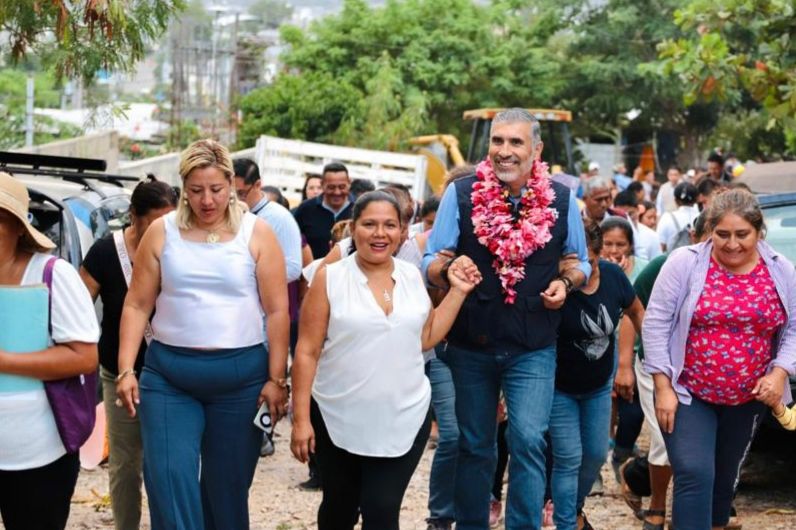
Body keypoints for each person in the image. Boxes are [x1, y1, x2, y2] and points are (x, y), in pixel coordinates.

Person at [423, 108, 590, 529]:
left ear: (536, 149)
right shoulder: (460, 193)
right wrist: (449, 271)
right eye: (497, 141)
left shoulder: (563, 197)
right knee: (474, 445)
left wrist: (566, 285)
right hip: (470, 344)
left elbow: (580, 262)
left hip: (533, 346)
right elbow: (431, 259)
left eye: (515, 142)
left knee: (529, 440)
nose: (504, 151)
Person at [116, 139, 290, 530]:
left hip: (241, 378)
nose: (207, 200)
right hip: (169, 376)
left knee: (226, 491)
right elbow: (137, 304)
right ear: (184, 188)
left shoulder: (257, 233)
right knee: (168, 479)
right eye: (196, 191)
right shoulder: (161, 232)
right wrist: (126, 369)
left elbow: (278, 312)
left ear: (231, 184)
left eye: (216, 189)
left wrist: (277, 379)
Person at [290, 191, 481, 530]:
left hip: (404, 414)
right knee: (339, 507)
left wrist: (458, 292)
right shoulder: (329, 276)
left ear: (401, 232)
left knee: (381, 509)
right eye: (370, 224)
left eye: (389, 225)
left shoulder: (410, 275)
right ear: (353, 229)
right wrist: (301, 419)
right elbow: (306, 350)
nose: (380, 234)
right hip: (337, 416)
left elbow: (425, 337)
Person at [643, 189, 796, 530]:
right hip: (687, 393)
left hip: (748, 398)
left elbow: (794, 328)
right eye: (722, 234)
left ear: (759, 232)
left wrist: (780, 373)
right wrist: (662, 385)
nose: (731, 244)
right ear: (709, 230)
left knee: (723, 482)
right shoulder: (685, 263)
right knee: (695, 473)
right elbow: (656, 322)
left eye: (742, 234)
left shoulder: (781, 270)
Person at [0, 172, 99, 530]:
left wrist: (5, 362)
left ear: (17, 228)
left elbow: (84, 357)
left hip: (38, 455)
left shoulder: (52, 275)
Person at [79, 177, 177, 530]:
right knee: (124, 463)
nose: (163, 231)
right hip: (118, 373)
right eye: (155, 222)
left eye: (170, 221)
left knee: (168, 463)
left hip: (171, 374)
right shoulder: (106, 252)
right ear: (133, 217)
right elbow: (76, 306)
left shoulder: (179, 251)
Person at [549, 222, 644, 530]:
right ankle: (567, 522)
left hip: (597, 385)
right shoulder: (555, 283)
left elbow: (635, 311)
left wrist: (649, 355)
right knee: (568, 457)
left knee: (594, 455)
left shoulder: (613, 277)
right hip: (559, 386)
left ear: (599, 254)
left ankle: (573, 509)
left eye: (588, 262)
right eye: (573, 263)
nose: (581, 271)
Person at [233, 158, 302, 285]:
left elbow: (293, 268)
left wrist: (247, 276)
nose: (236, 199)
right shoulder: (226, 213)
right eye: (230, 193)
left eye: (241, 193)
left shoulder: (279, 217)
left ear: (258, 185)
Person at [293, 162, 354, 258]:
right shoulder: (305, 209)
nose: (337, 192)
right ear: (322, 184)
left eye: (342, 187)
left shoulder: (359, 210)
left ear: (349, 183)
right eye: (331, 187)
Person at [613, 190, 661, 262]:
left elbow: (657, 265)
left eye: (630, 214)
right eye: (622, 214)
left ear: (638, 210)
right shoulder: (607, 235)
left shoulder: (652, 236)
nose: (627, 218)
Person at [656, 182, 699, 252]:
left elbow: (660, 246)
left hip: (673, 260)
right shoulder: (703, 217)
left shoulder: (667, 217)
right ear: (696, 200)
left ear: (675, 200)